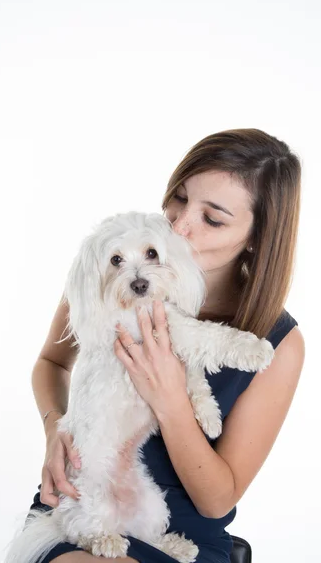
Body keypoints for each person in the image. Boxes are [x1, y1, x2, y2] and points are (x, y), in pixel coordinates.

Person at [25, 128, 305, 563]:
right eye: (179, 197)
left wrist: (172, 401)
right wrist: (55, 429)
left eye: (212, 218)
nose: (179, 223)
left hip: (185, 530)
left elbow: (217, 501)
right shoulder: (112, 270)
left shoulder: (280, 343)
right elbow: (51, 362)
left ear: (255, 237)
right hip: (83, 505)